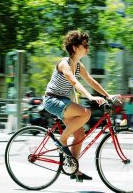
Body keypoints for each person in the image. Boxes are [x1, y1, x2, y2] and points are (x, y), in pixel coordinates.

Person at [43, 30, 120, 181]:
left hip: (64, 102)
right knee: (86, 113)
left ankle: (73, 169)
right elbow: (74, 81)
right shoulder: (64, 64)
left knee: (79, 134)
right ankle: (62, 141)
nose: (87, 47)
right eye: (84, 45)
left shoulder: (79, 66)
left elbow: (91, 81)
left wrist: (107, 95)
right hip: (53, 100)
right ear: (74, 47)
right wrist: (90, 96)